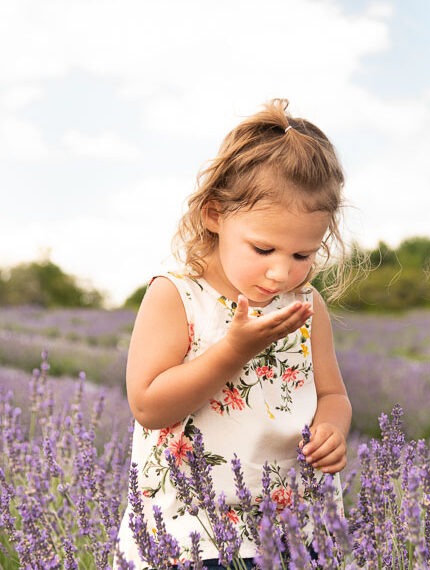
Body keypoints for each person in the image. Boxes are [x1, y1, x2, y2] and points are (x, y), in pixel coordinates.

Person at [116, 98, 353, 569]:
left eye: (303, 255)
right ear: (214, 215)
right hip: (189, 532)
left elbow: (333, 394)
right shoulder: (176, 296)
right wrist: (233, 351)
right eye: (263, 248)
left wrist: (331, 429)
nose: (281, 272)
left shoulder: (306, 306)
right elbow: (149, 404)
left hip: (291, 527)